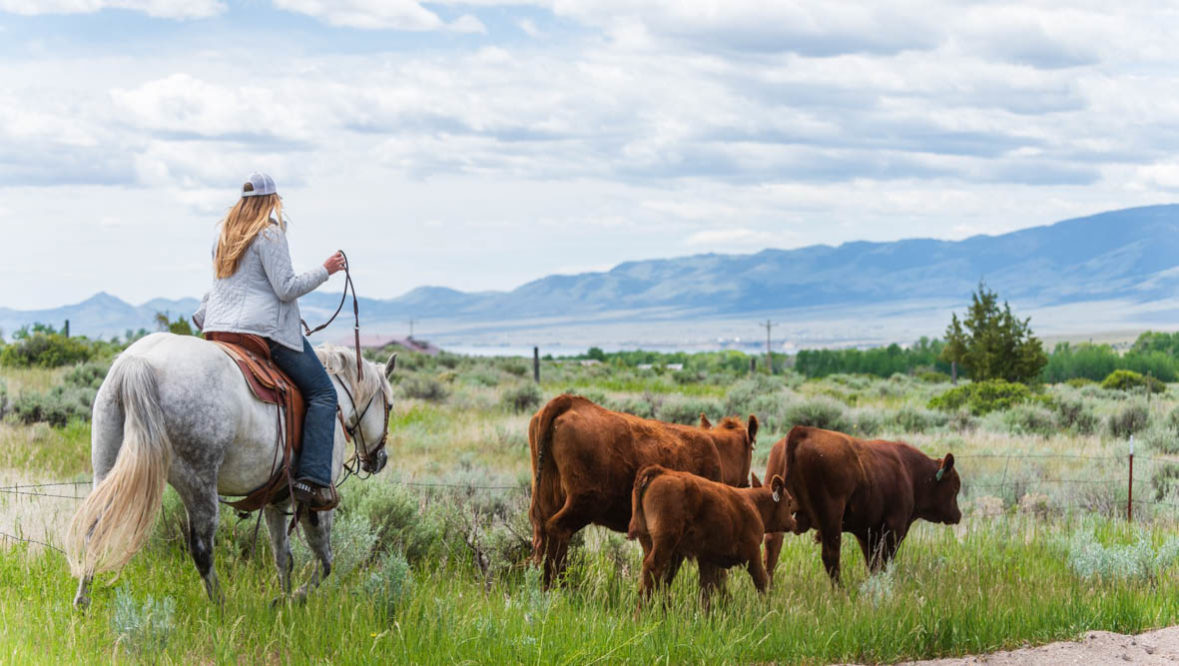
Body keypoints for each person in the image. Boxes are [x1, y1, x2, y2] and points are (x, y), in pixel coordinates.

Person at [193, 172, 347, 509]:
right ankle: (314, 479)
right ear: (272, 200)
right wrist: (327, 269)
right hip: (261, 332)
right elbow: (286, 288)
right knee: (323, 393)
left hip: (219, 329)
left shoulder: (224, 236)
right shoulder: (269, 233)